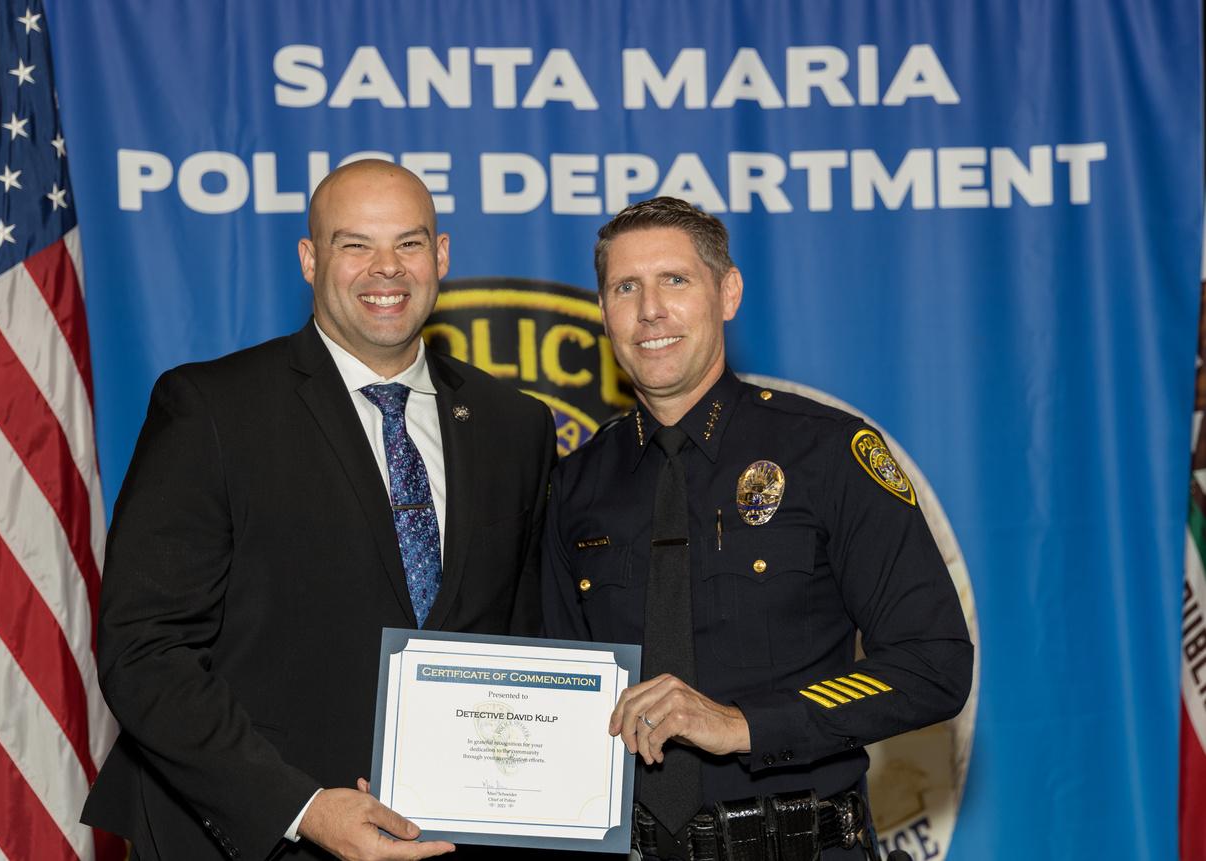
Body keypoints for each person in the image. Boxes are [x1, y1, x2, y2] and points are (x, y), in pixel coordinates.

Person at [82, 161, 557, 860]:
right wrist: (299, 808)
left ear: (441, 255)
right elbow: (145, 651)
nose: (386, 268)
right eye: (355, 244)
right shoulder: (212, 409)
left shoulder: (513, 424)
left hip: (451, 838)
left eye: (409, 243)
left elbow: (526, 641)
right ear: (310, 259)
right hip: (260, 840)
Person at [541, 197, 972, 860]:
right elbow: (553, 696)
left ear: (728, 292)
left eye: (675, 280)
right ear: (603, 311)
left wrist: (743, 725)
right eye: (626, 287)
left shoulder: (827, 452)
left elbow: (934, 662)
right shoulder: (574, 485)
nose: (650, 309)